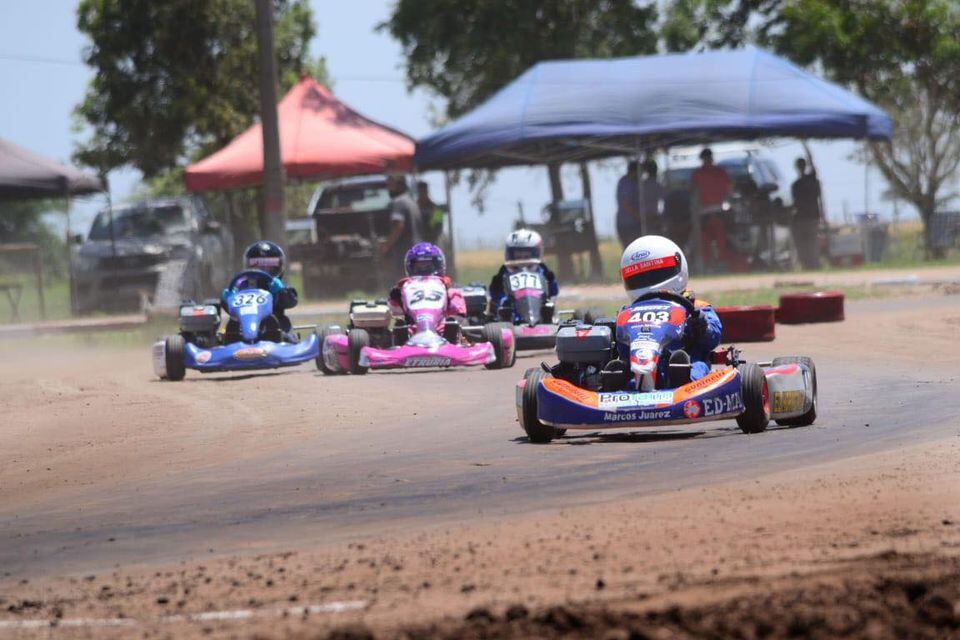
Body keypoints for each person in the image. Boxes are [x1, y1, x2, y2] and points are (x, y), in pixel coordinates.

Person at [616, 235, 722, 386]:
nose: (649, 284)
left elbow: (713, 338)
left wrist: (701, 324)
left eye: (656, 275)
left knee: (695, 369)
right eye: (640, 278)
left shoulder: (696, 307)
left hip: (688, 360)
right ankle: (615, 380)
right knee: (626, 376)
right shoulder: (628, 312)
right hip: (642, 365)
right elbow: (622, 349)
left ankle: (681, 378)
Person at [222, 240, 299, 339]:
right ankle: (232, 341)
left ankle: (287, 339)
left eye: (269, 267)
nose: (264, 270)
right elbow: (231, 309)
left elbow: (291, 301)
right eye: (258, 265)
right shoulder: (240, 286)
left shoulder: (278, 287)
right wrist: (226, 299)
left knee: (280, 321)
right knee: (232, 323)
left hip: (274, 329)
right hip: (242, 328)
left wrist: (281, 292)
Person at [690, 148, 742, 271]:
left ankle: (711, 265)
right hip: (717, 212)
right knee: (719, 240)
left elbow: (694, 193)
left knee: (708, 241)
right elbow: (729, 191)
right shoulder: (720, 172)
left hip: (706, 212)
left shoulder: (699, 173)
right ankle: (719, 263)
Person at [487, 229, 558, 317]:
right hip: (510, 319)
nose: (522, 260)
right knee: (503, 304)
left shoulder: (545, 273)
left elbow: (553, 293)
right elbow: (495, 297)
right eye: (518, 256)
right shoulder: (502, 275)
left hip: (541, 314)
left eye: (526, 256)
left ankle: (543, 318)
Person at [387, 242, 466, 321]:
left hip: (442, 324)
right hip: (413, 325)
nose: (423, 270)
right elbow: (394, 311)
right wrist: (396, 299)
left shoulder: (447, 287)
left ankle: (451, 325)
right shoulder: (403, 288)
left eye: (428, 266)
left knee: (454, 293)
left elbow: (459, 311)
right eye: (418, 267)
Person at [380, 175, 424, 278]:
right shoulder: (412, 202)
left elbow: (398, 226)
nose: (388, 189)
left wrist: (386, 246)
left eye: (391, 185)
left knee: (402, 281)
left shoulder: (398, 202)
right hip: (417, 250)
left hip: (404, 252)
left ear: (400, 186)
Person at [791, 155, 824, 270]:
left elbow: (795, 203)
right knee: (811, 244)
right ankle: (811, 265)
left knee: (805, 244)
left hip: (804, 218)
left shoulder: (798, 184)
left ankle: (809, 265)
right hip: (809, 217)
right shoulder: (811, 183)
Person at [615, 161, 642, 248]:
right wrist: (638, 216)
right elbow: (625, 203)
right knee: (632, 250)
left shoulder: (627, 181)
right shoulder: (627, 183)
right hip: (629, 223)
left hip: (627, 222)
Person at [640, 159, 666, 236]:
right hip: (652, 217)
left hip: (644, 216)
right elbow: (665, 198)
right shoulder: (656, 185)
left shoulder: (642, 184)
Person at [416, 181, 445, 245]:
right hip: (416, 243)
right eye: (420, 192)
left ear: (427, 191)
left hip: (432, 242)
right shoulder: (413, 208)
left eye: (423, 191)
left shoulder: (437, 209)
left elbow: (439, 228)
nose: (422, 194)